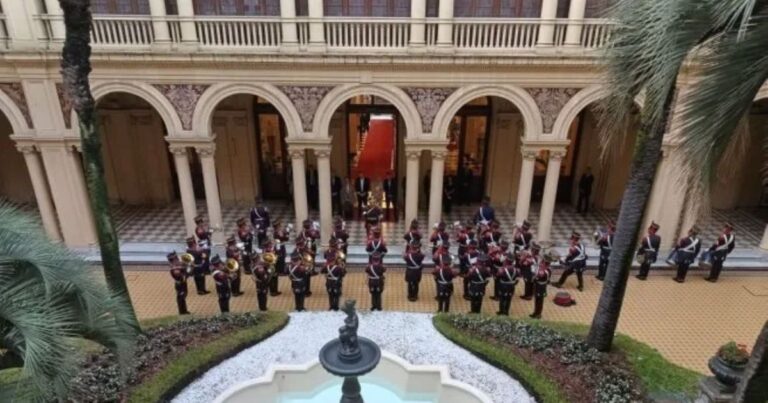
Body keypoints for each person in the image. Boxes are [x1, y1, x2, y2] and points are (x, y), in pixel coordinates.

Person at [530, 245, 552, 319]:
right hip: (540, 286)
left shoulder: (545, 271)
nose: (541, 262)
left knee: (539, 301)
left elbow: (539, 276)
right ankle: (535, 312)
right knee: (537, 300)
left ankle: (538, 314)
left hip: (540, 287)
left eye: (543, 262)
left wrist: (534, 277)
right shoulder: (546, 269)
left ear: (545, 263)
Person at [496, 251, 519, 316]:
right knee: (509, 299)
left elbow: (498, 276)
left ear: (507, 260)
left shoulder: (502, 269)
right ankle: (506, 312)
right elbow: (517, 279)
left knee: (502, 299)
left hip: (503, 285)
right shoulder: (516, 269)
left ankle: (501, 311)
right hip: (511, 286)